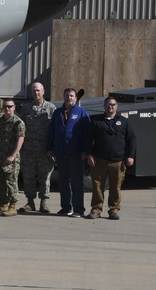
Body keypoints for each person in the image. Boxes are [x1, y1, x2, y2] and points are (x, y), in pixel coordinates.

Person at [83, 96, 136, 220]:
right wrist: (89, 154)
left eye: (112, 104)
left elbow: (132, 139)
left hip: (118, 161)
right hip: (99, 160)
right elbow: (88, 139)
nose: (110, 107)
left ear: (116, 106)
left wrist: (131, 156)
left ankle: (113, 210)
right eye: (107, 104)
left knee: (115, 187)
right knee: (97, 187)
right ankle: (96, 209)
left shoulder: (124, 122)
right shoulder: (96, 121)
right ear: (104, 106)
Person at [48, 88, 91, 217]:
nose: (69, 98)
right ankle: (66, 207)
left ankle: (78, 209)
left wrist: (86, 151)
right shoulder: (57, 113)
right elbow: (51, 132)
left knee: (77, 182)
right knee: (63, 182)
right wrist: (49, 148)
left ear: (76, 98)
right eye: (67, 95)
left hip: (76, 154)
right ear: (63, 97)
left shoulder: (82, 113)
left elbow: (87, 134)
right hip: (61, 153)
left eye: (71, 96)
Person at [18, 82, 57, 214]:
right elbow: (20, 128)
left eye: (38, 90)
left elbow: (55, 130)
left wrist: (53, 148)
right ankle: (30, 202)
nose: (36, 93)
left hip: (45, 151)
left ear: (43, 91)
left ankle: (44, 203)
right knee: (28, 177)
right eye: (34, 90)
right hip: (28, 150)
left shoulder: (51, 108)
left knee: (44, 177)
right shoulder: (26, 109)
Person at [0, 99, 25, 217]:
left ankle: (13, 206)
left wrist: (13, 155)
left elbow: (20, 140)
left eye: (10, 106)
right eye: (5, 107)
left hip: (10, 158)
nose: (7, 109)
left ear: (14, 107)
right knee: (0, 181)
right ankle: (3, 204)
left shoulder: (17, 122)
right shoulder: (0, 121)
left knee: (11, 182)